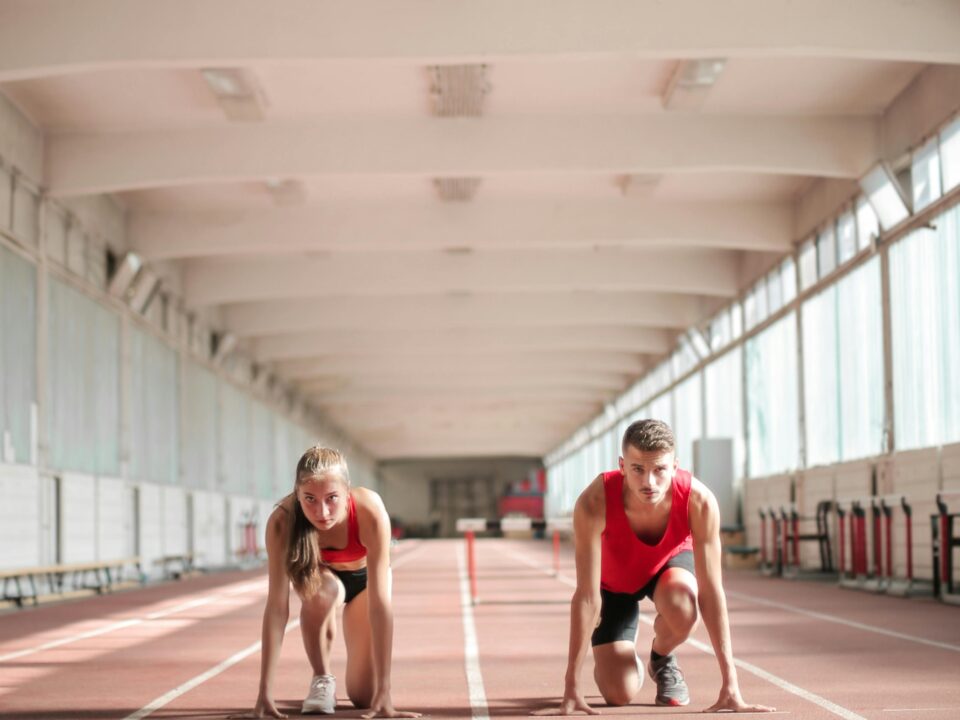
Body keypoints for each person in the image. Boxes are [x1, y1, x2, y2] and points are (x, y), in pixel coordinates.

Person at [537, 420, 774, 715]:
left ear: (674, 466)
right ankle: (623, 658)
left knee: (684, 607)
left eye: (659, 470)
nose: (649, 482)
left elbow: (712, 592)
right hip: (614, 585)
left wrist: (731, 684)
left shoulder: (699, 502)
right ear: (622, 466)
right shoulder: (593, 502)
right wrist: (571, 685)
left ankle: (661, 658)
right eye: (638, 469)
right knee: (618, 693)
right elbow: (586, 596)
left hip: (667, 568)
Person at [244, 446, 421, 719]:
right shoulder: (282, 521)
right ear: (297, 494)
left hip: (366, 585)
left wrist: (385, 691)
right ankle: (322, 678)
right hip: (324, 581)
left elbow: (380, 606)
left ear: (347, 491)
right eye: (310, 499)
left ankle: (374, 687)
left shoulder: (369, 510)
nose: (322, 511)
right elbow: (277, 608)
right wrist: (264, 693)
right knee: (323, 591)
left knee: (364, 697)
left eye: (332, 498)